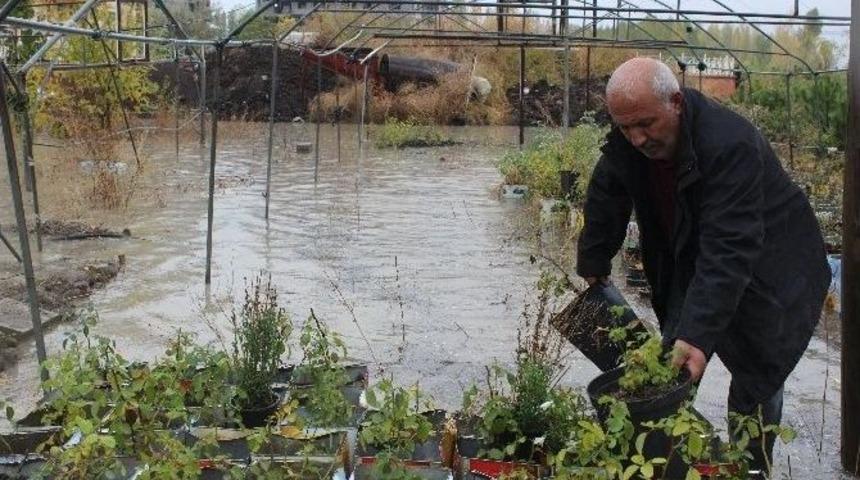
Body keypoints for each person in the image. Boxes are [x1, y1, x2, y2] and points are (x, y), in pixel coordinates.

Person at [576, 58, 831, 475]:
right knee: (671, 360)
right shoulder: (631, 139)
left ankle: (752, 467)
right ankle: (667, 460)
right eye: (625, 127)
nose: (637, 138)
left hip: (773, 266)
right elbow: (608, 189)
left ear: (675, 102)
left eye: (645, 124)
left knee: (759, 371)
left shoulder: (731, 145)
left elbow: (730, 248)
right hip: (696, 254)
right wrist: (594, 260)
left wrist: (698, 335)